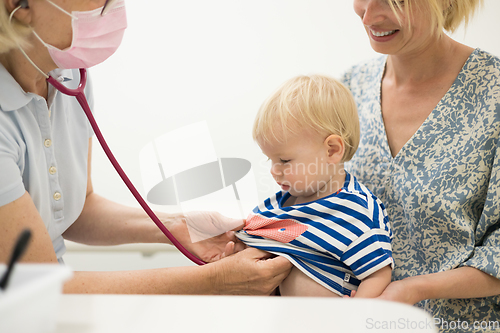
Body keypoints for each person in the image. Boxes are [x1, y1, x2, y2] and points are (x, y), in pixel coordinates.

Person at [0, 0, 291, 295]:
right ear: (19, 5)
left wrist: (178, 225)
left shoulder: (70, 74)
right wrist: (215, 281)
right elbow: (38, 287)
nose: (114, 6)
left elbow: (78, 209)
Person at [342, 0, 500, 328]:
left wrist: (413, 289)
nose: (368, 16)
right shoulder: (348, 90)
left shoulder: (493, 94)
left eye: (393, 1)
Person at [236, 75, 393, 297]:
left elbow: (378, 274)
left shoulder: (355, 211)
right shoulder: (279, 203)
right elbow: (250, 248)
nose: (273, 170)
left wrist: (359, 313)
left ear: (331, 151)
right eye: (269, 159)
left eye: (284, 160)